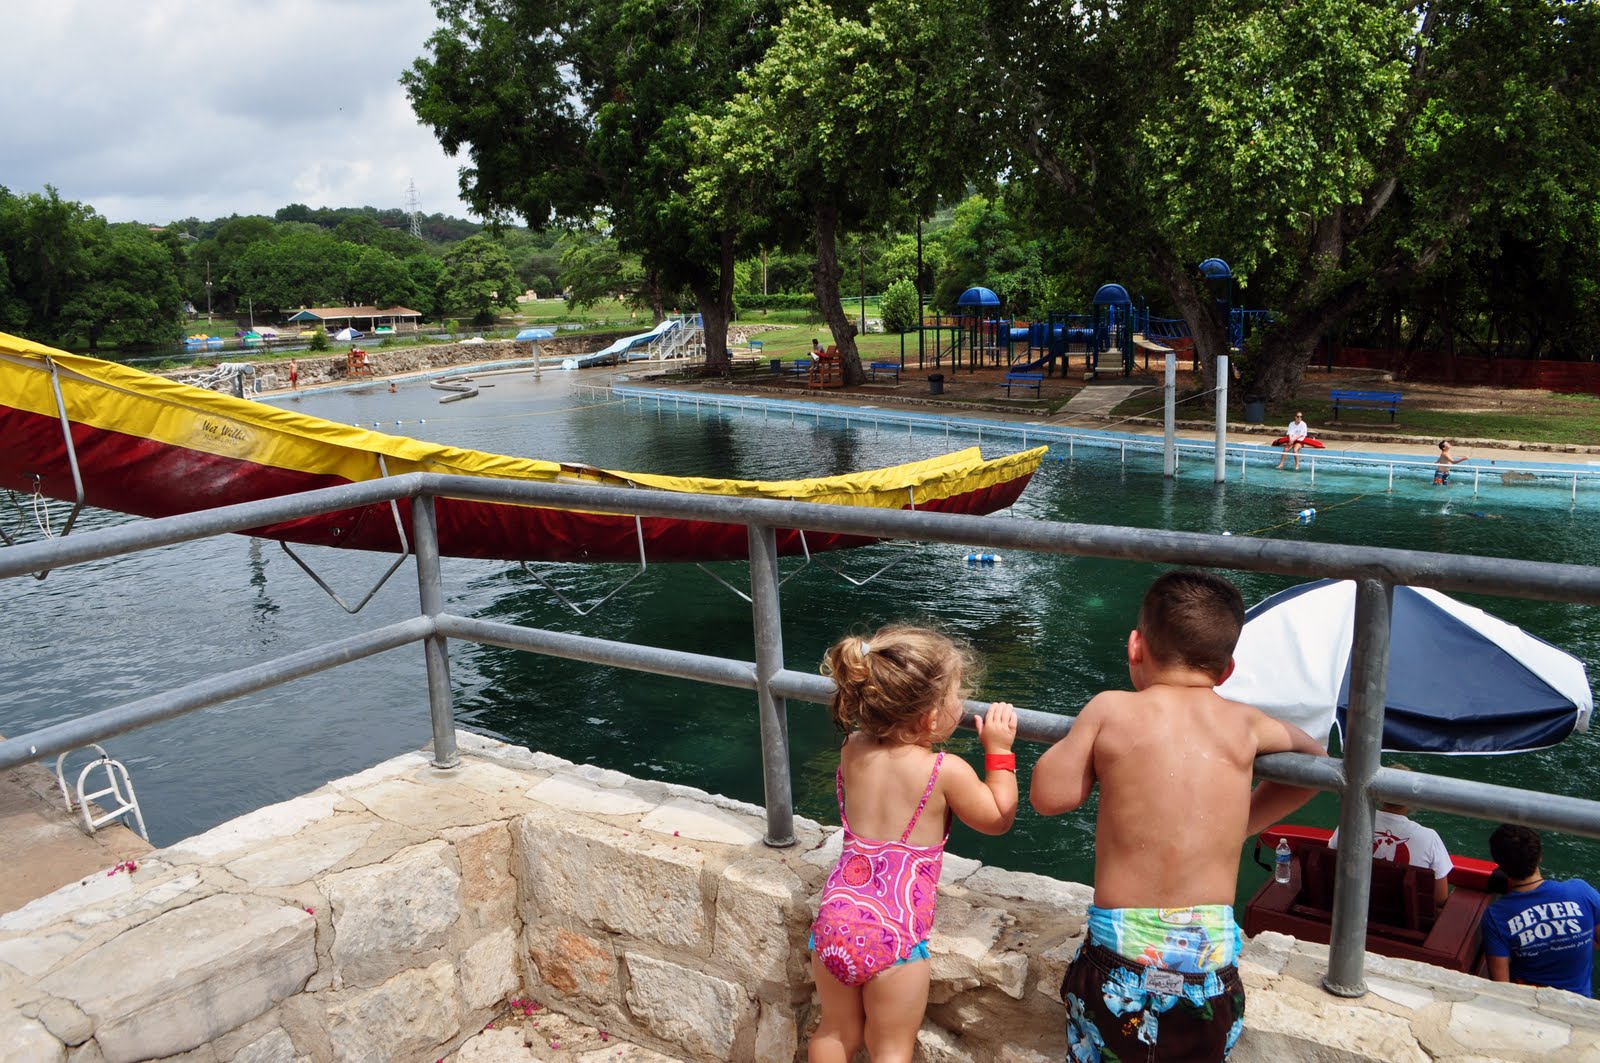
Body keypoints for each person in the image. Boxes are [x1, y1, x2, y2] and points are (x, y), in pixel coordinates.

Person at [1031, 570, 1326, 1062]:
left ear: (1135, 646)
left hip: (1117, 963)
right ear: (1227, 670)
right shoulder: (1244, 722)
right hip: (1208, 972)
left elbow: (1049, 796)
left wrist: (1087, 737)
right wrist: (1242, 822)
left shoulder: (1111, 709)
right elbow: (1314, 764)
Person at [809, 624, 1019, 1063]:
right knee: (891, 1050)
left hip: (836, 917)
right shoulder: (946, 770)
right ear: (928, 717)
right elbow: (997, 818)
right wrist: (999, 752)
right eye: (955, 697)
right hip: (896, 936)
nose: (961, 706)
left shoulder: (853, 748)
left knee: (835, 1032)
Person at [1480, 824, 1600, 996]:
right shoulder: (1582, 891)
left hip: (1532, 1009)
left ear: (1498, 863)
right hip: (1580, 1005)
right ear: (1540, 857)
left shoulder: (1496, 915)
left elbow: (1500, 987)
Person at [1327, 764, 1452, 906]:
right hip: (1403, 920)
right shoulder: (1430, 838)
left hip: (1352, 908)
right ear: (1413, 799)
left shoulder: (1352, 823)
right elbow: (1440, 898)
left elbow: (1330, 863)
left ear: (1378, 792)